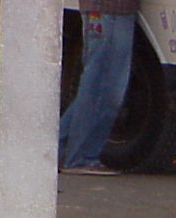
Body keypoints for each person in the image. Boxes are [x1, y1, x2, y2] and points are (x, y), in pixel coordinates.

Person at [58, 0, 139, 175]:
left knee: (96, 88)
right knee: (103, 89)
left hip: (108, 11)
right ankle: (80, 157)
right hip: (110, 11)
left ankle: (56, 149)